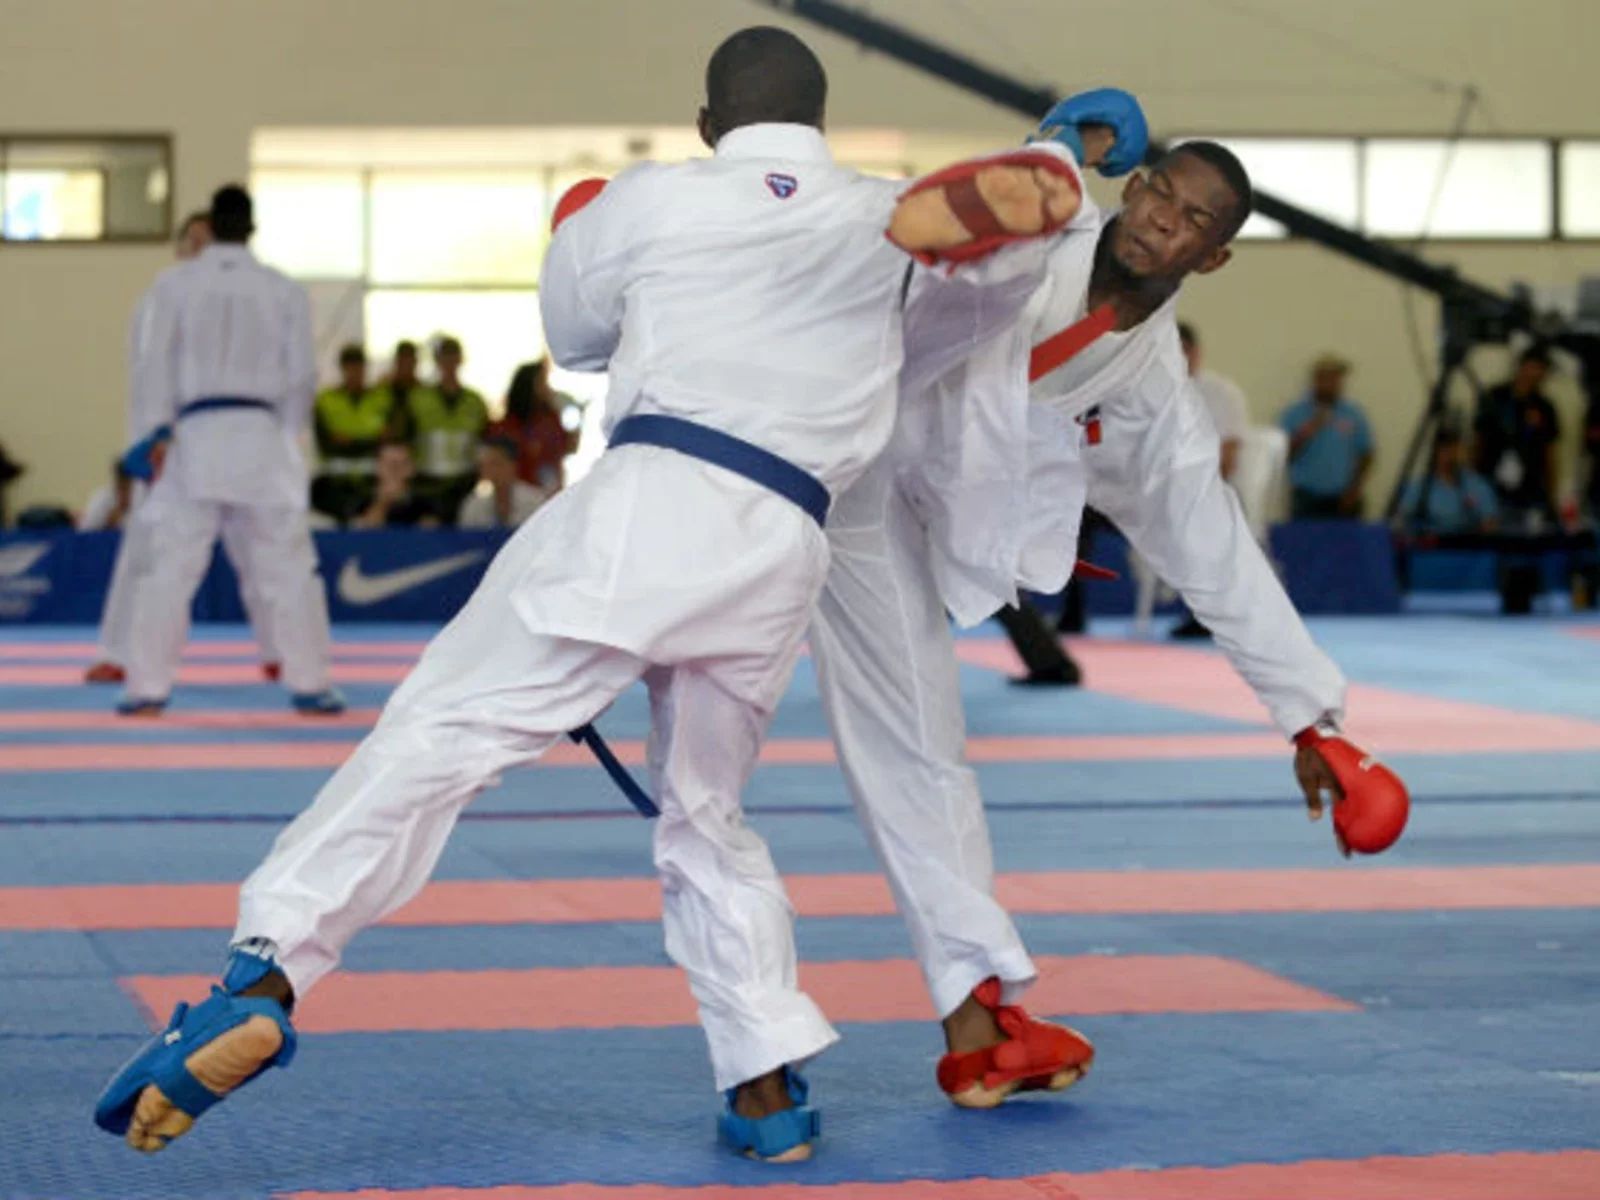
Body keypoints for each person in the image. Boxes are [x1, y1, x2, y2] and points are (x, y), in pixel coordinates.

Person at [94, 27, 1129, 1164]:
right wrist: (1054, 168)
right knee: (705, 816)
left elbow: (574, 340)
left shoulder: (646, 200)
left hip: (653, 501)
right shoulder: (879, 217)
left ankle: (263, 971)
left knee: (441, 729)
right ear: (819, 123)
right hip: (786, 541)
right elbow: (972, 316)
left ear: (705, 124)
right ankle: (764, 1084)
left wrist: (584, 223)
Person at [810, 138, 1400, 1112]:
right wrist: (1046, 150)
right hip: (816, 435)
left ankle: (977, 1027)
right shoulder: (1035, 230)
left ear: (1212, 258)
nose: (1165, 215)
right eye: (1159, 191)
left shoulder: (1146, 396)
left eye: (1195, 217)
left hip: (881, 515)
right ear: (1130, 189)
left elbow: (1211, 548)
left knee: (921, 751)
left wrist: (1310, 721)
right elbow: (927, 222)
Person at [112, 185, 341, 717]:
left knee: (169, 568)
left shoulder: (174, 284)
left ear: (210, 227)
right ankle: (311, 683)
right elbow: (303, 373)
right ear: (251, 229)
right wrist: (289, 434)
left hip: (192, 434)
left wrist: (154, 433)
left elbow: (153, 363)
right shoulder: (282, 289)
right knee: (287, 566)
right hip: (261, 433)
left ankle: (147, 688)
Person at [85, 211, 283, 687]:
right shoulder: (160, 297)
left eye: (209, 240)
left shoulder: (254, 301)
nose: (200, 250)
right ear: (178, 249)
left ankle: (283, 653)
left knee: (262, 552)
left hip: (240, 445)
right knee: (144, 549)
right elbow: (146, 376)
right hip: (169, 446)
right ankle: (118, 652)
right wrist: (148, 439)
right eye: (192, 241)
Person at [1168, 320, 1250, 639]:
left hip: (1208, 486)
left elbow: (1228, 459)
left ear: (1195, 352)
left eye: (1182, 350)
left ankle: (1205, 613)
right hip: (1153, 488)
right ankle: (1073, 611)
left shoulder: (1223, 394)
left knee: (1199, 515)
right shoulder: (1145, 393)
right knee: (1085, 516)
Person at [1475, 344, 1561, 525]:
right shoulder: (1495, 396)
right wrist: (1473, 486)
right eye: (1533, 367)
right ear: (1522, 366)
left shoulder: (1545, 407)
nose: (1535, 374)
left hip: (1531, 492)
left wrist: (1552, 497)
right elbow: (1477, 442)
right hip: (1493, 488)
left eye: (1541, 369)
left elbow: (1550, 453)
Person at [1279, 354, 1374, 519]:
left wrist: (1354, 488)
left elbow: (1366, 453)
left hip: (1343, 498)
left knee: (1346, 544)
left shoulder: (1353, 413)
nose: (1334, 383)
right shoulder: (1294, 413)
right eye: (1328, 378)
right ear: (1316, 380)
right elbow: (1283, 455)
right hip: (1306, 498)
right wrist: (1310, 429)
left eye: (1337, 379)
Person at [405, 335, 489, 523]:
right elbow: (405, 439)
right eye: (445, 357)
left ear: (461, 360)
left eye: (453, 357)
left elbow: (484, 442)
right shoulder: (418, 399)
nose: (449, 363)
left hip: (465, 484)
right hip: (427, 484)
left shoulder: (475, 402)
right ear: (437, 361)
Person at [311, 344, 394, 523]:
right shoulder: (327, 400)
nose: (355, 372)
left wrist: (349, 441)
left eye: (359, 366)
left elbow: (388, 440)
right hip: (335, 484)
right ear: (343, 368)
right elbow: (327, 444)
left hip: (371, 483)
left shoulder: (381, 398)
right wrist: (370, 439)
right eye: (351, 367)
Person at [489, 359, 581, 493]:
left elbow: (571, 448)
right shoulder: (506, 426)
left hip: (551, 495)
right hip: (521, 500)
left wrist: (569, 409)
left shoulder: (552, 418)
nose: (547, 388)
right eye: (542, 382)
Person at [1398, 425, 1499, 535]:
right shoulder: (1420, 488)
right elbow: (1401, 524)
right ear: (1435, 451)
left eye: (1453, 448)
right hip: (1430, 547)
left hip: (1466, 547)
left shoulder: (1477, 486)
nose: (1448, 454)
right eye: (1444, 448)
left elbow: (1490, 526)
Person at [457, 435, 549, 529]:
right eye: (484, 466)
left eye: (495, 464)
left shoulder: (535, 500)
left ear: (512, 466)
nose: (490, 471)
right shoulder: (473, 505)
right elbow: (466, 541)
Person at [350, 440, 436, 529]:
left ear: (411, 468)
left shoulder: (427, 505)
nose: (394, 471)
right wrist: (383, 503)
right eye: (388, 464)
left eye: (400, 464)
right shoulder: (359, 503)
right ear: (377, 468)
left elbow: (430, 535)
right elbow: (360, 535)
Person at [79, 462, 140, 532]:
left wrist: (122, 521)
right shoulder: (103, 497)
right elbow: (84, 532)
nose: (126, 494)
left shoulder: (145, 498)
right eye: (122, 488)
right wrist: (107, 522)